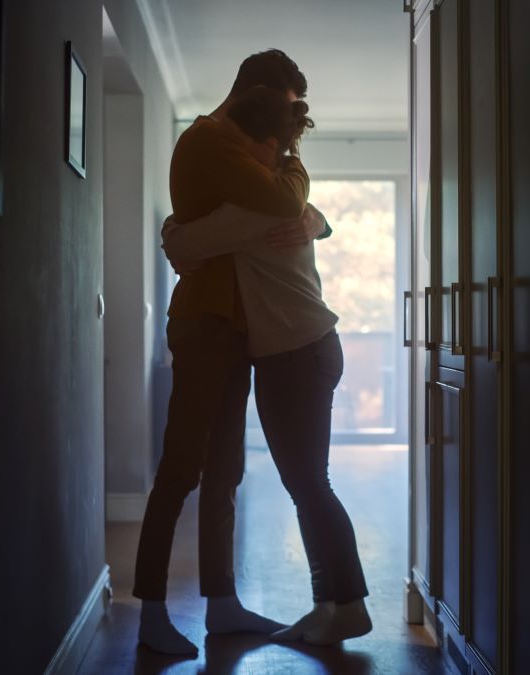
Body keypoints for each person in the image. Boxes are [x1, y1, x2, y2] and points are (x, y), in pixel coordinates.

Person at [132, 50, 331, 657]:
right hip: (206, 323)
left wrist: (315, 219)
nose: (284, 132)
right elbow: (278, 206)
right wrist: (300, 194)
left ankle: (221, 605)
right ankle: (150, 612)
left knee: (225, 469)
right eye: (285, 114)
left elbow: (277, 214)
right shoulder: (210, 142)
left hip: (237, 325)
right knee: (181, 468)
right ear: (258, 96)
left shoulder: (241, 147)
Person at [161, 87, 373, 646]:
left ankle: (348, 606)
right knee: (307, 483)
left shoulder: (258, 207)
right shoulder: (283, 197)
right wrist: (317, 220)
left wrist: (171, 230)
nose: (238, 158)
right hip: (302, 350)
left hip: (298, 354)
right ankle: (330, 605)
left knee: (310, 484)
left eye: (246, 145)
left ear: (264, 144)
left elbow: (184, 245)